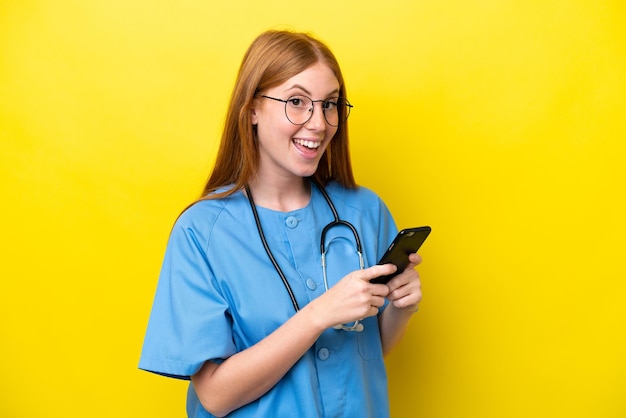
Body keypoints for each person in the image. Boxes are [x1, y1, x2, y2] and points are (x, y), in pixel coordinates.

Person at [139, 29, 424, 418]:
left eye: (330, 104)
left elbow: (366, 353)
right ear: (252, 108)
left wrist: (400, 310)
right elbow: (215, 396)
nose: (319, 123)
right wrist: (318, 314)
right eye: (296, 101)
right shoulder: (201, 232)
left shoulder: (365, 212)